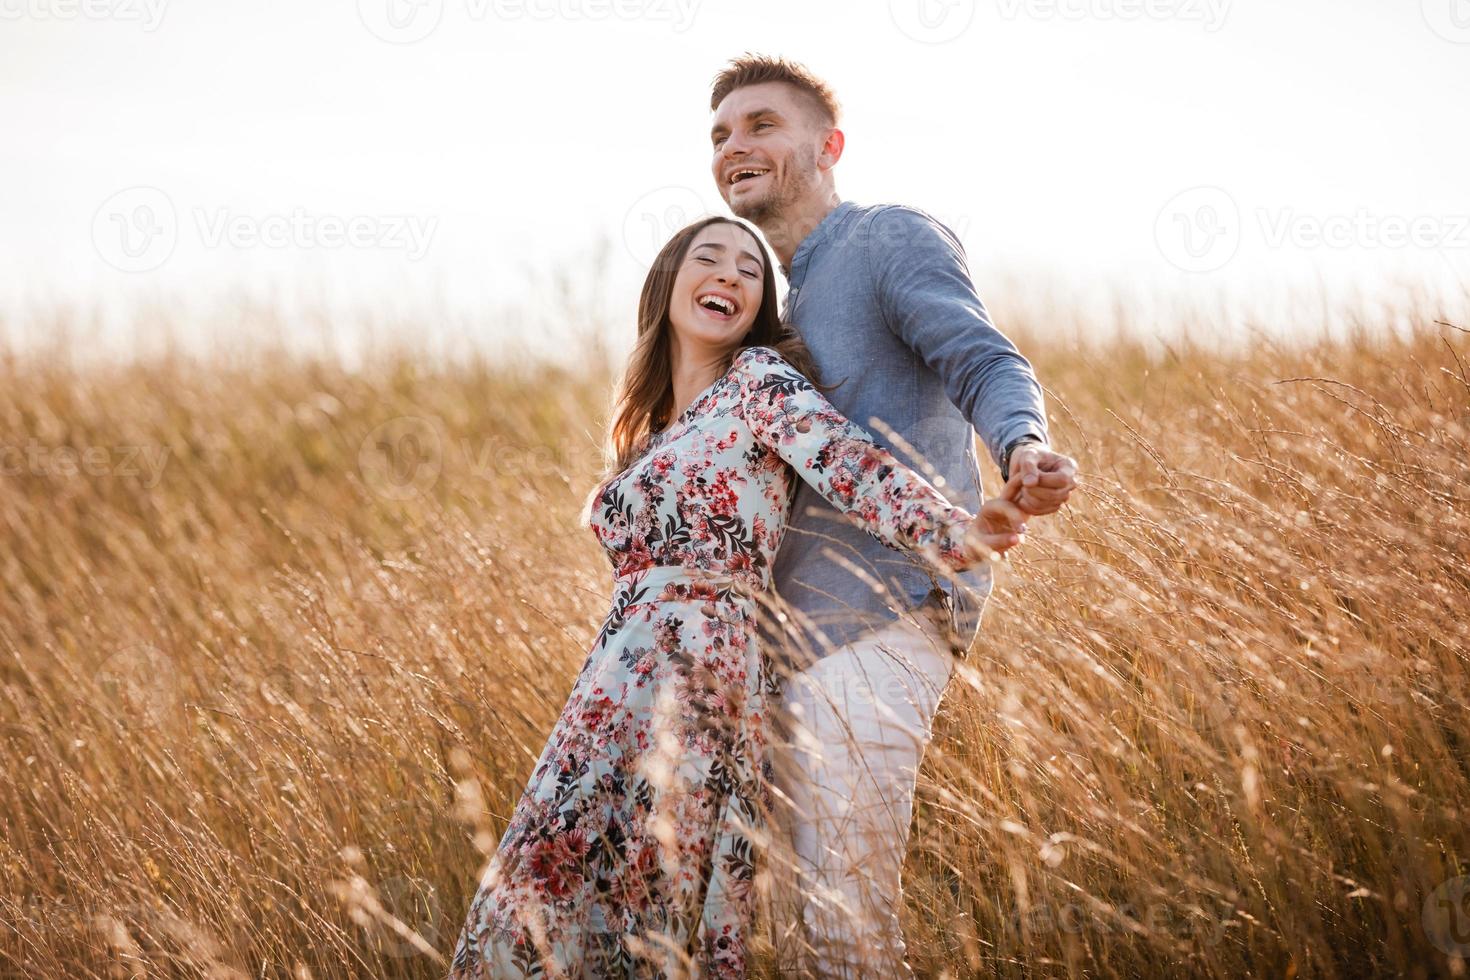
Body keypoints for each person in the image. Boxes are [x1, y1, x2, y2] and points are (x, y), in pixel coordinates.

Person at [446, 215, 1030, 978]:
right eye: (708, 259)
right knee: (530, 897)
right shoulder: (646, 431)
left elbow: (848, 463)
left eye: (748, 271)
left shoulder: (758, 384)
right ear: (668, 283)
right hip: (610, 689)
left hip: (702, 675)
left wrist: (960, 532)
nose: (728, 275)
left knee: (651, 899)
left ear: (758, 308)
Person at [706, 55, 1079, 975]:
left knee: (847, 930)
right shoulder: (773, 312)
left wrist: (1022, 446)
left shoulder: (884, 239)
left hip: (878, 625)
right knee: (799, 942)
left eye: (760, 125)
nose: (734, 147)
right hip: (787, 652)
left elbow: (983, 358)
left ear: (828, 146)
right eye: (719, 135)